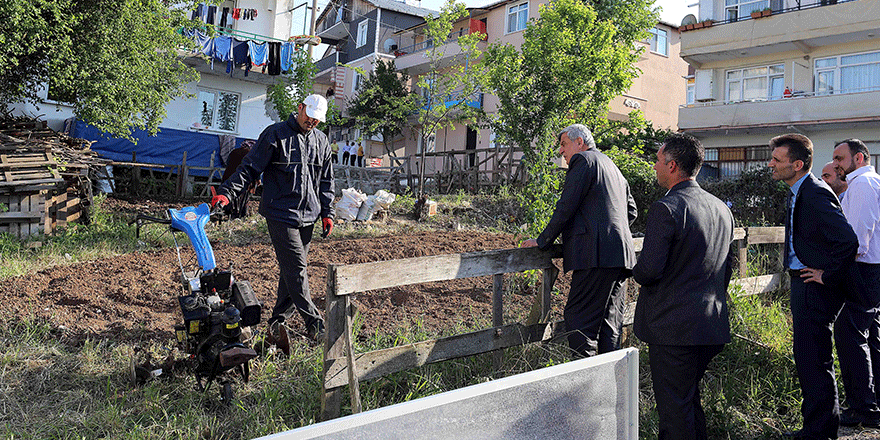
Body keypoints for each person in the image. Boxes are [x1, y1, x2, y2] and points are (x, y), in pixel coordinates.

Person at [211, 94, 335, 350]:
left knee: (290, 272)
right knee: (297, 269)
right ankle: (316, 326)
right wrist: (227, 191)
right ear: (300, 108)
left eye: (316, 121)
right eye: (309, 117)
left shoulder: (322, 142)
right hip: (280, 214)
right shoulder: (275, 135)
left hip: (308, 216)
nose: (312, 123)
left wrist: (328, 213)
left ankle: (277, 324)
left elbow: (326, 181)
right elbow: (249, 168)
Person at [632, 133, 735, 440]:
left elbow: (649, 270)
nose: (654, 167)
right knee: (688, 402)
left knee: (674, 413)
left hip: (674, 328)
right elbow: (725, 269)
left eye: (658, 161)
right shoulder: (720, 208)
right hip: (710, 323)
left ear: (672, 165)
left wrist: (633, 270)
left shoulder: (667, 208)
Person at [768, 133, 859, 439]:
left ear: (797, 164)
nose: (771, 164)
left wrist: (827, 275)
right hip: (803, 284)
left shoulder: (815, 192)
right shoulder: (799, 191)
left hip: (815, 288)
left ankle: (820, 432)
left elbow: (848, 241)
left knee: (814, 359)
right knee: (808, 358)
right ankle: (816, 428)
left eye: (777, 160)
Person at [520, 124, 637, 357]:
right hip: (621, 256)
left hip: (595, 257)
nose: (561, 151)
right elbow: (632, 212)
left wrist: (543, 241)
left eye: (564, 144)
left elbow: (566, 206)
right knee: (610, 324)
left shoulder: (583, 161)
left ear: (580, 142)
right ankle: (610, 384)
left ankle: (585, 381)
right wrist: (611, 234)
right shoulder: (612, 166)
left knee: (580, 320)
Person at [832, 139, 880, 429]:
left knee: (850, 335)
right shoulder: (868, 182)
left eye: (840, 157)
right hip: (870, 270)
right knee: (870, 335)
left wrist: (834, 270)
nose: (836, 162)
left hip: (862, 269)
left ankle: (864, 409)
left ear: (859, 158)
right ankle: (871, 403)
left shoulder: (863, 185)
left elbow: (858, 238)